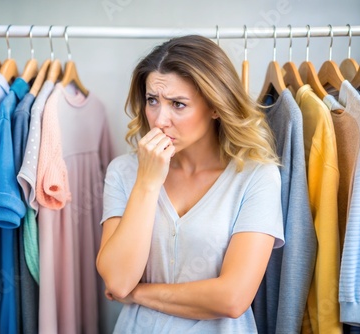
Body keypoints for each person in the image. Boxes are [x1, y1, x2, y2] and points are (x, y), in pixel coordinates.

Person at [96, 35, 285, 333]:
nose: (160, 120)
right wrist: (146, 183)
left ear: (215, 107)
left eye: (178, 104)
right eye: (152, 101)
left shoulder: (256, 177)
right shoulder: (124, 172)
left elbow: (233, 298)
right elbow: (118, 280)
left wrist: (139, 294)